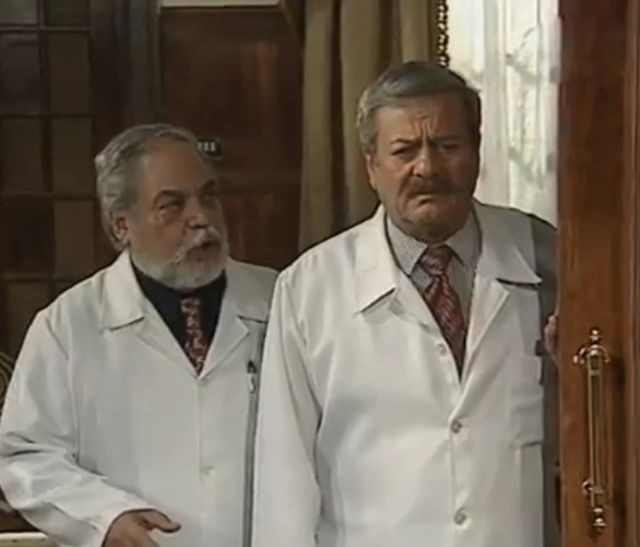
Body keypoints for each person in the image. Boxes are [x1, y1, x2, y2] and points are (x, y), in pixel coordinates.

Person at [253, 62, 557, 547]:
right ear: (371, 166)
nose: (427, 168)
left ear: (477, 149)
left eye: (447, 146)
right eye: (404, 151)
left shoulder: (546, 257)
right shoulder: (310, 288)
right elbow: (282, 480)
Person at [0, 124, 277, 547]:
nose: (201, 218)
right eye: (172, 206)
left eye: (209, 196)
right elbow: (23, 457)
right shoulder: (68, 326)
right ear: (121, 226)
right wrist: (103, 517)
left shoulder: (280, 300)